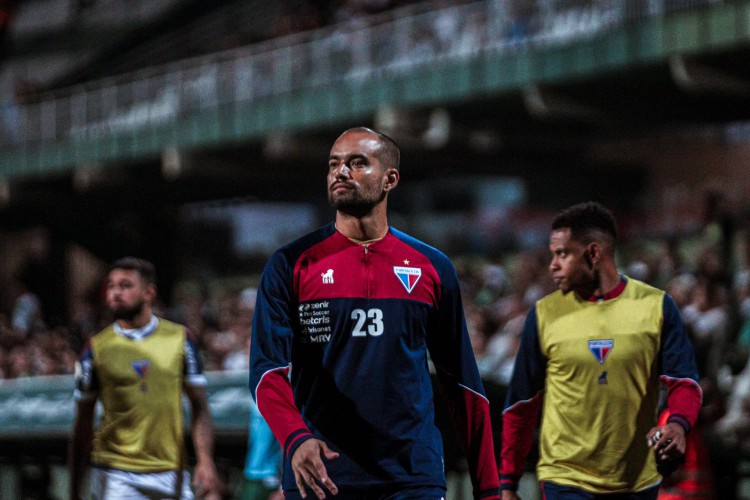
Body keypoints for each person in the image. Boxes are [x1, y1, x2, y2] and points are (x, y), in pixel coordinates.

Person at [249, 127, 499, 499]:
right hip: (321, 475)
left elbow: (462, 383)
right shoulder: (290, 264)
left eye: (357, 163)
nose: (341, 172)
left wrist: (490, 490)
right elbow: (266, 371)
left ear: (390, 179)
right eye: (334, 164)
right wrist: (296, 438)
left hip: (412, 477)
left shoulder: (432, 266)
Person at [499, 202, 703, 500]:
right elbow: (521, 403)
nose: (552, 265)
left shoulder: (656, 307)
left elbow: (684, 381)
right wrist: (508, 483)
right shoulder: (544, 315)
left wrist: (678, 424)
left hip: (637, 480)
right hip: (565, 478)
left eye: (562, 254)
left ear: (594, 253)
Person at [68, 257, 222, 500]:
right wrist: (75, 488)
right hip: (116, 473)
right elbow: (83, 423)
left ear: (149, 292)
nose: (115, 293)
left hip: (172, 471)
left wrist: (205, 460)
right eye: (111, 286)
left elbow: (199, 406)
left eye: (126, 285)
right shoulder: (95, 349)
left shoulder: (181, 339)